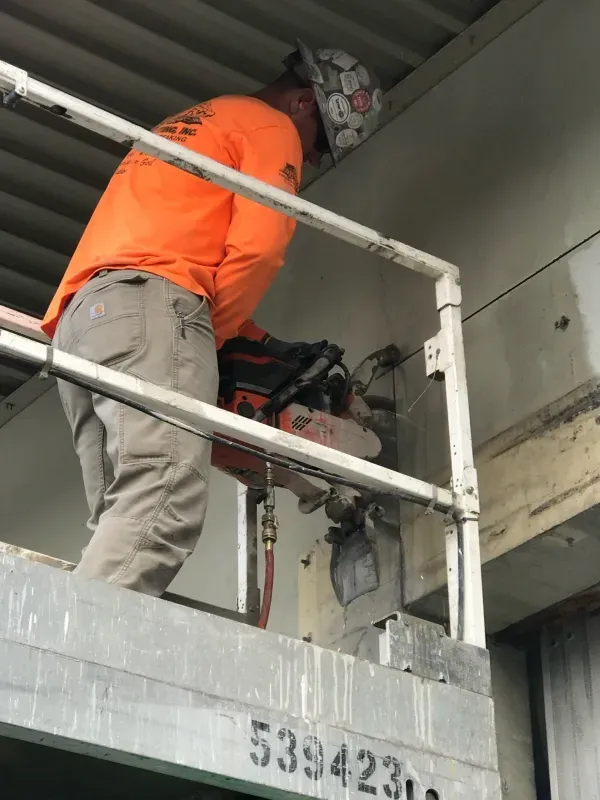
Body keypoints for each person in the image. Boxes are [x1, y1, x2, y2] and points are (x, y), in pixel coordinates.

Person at [41, 41, 381, 597]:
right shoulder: (271, 128)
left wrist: (254, 340)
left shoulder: (199, 124)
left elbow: (179, 252)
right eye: (320, 144)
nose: (313, 160)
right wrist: (207, 337)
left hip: (86, 324)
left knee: (120, 516)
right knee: (163, 504)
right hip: (152, 309)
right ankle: (61, 669)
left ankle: (62, 644)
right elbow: (259, 247)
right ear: (303, 104)